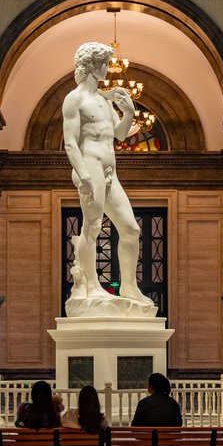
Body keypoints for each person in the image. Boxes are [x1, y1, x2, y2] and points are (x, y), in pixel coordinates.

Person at [62, 42, 154, 307]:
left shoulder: (104, 101)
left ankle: (129, 286)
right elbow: (70, 143)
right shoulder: (74, 99)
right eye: (104, 63)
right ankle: (90, 287)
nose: (107, 68)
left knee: (131, 228)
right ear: (92, 65)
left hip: (110, 171)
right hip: (89, 167)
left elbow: (120, 134)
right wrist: (83, 175)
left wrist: (129, 112)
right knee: (92, 226)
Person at [117, 372, 182, 446]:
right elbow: (179, 426)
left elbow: (134, 427)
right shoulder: (174, 404)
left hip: (149, 443)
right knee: (154, 444)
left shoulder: (144, 403)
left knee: (151, 444)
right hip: (169, 443)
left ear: (152, 387)